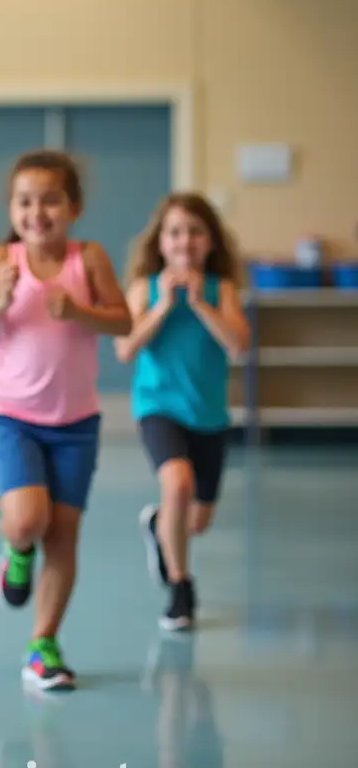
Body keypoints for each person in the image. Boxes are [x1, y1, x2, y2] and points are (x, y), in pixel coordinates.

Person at [0, 150, 130, 691]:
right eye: (25, 201)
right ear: (13, 208)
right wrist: (0, 299)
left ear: (72, 206)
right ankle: (16, 552)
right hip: (14, 416)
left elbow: (124, 320)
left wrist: (79, 312)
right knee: (29, 519)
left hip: (76, 421)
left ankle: (43, 645)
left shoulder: (89, 258)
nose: (37, 211)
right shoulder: (0, 261)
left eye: (50, 199)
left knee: (66, 536)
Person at [115, 193, 249, 631]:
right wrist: (163, 306)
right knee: (178, 483)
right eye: (175, 232)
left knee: (196, 520)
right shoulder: (144, 288)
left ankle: (160, 529)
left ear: (210, 242)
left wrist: (199, 304)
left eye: (195, 232)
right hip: (158, 407)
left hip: (208, 415)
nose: (185, 241)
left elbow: (238, 345)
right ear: (161, 242)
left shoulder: (221, 290)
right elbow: (125, 347)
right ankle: (180, 588)